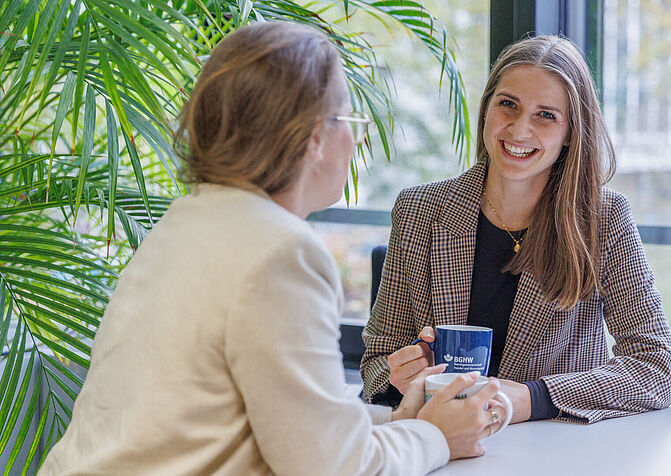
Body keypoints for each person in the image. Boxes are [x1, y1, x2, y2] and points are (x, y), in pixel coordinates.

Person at [39, 21, 505, 476]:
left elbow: (294, 422)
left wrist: (403, 421)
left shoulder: (187, 223)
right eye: (349, 120)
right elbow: (331, 466)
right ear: (314, 137)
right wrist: (437, 437)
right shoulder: (280, 252)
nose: (355, 140)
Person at [361, 35, 671, 424]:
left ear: (570, 135)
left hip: (555, 451)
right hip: (437, 445)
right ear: (486, 110)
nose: (518, 130)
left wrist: (531, 398)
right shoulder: (419, 210)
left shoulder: (603, 219)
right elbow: (377, 360)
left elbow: (657, 367)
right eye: (508, 105)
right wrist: (404, 376)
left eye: (545, 115)